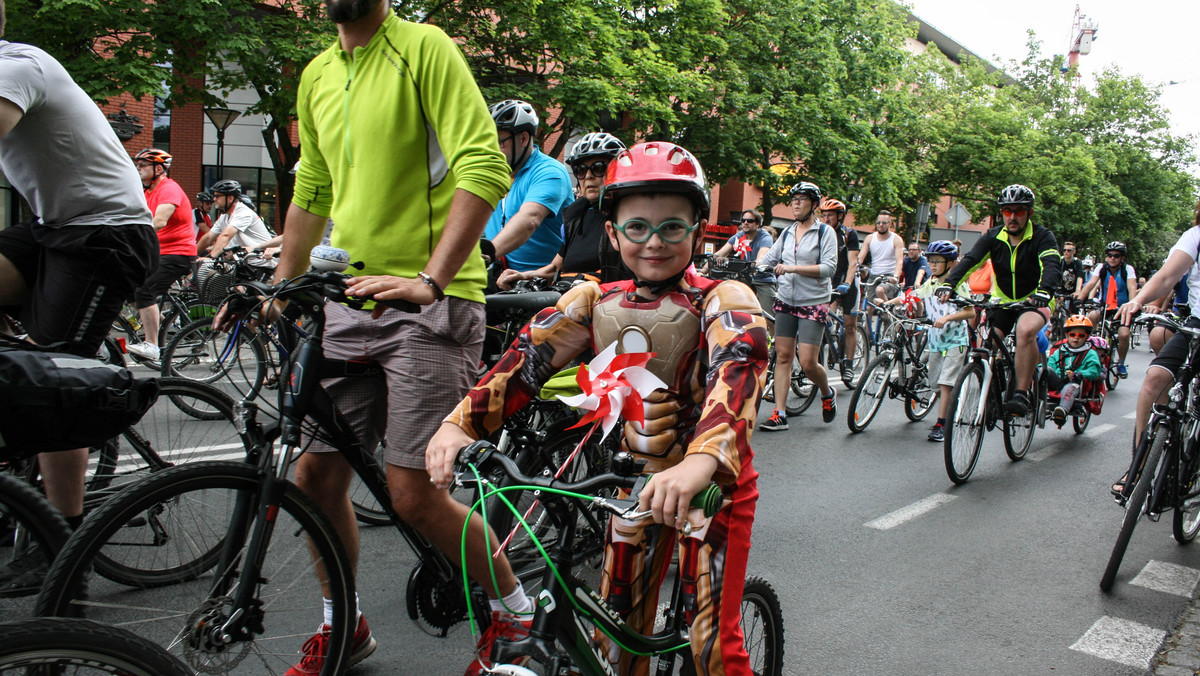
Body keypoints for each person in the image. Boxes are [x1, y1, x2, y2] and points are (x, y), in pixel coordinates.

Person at [226, 1, 518, 673]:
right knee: (315, 475)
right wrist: (278, 287)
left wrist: (432, 278)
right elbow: (314, 188)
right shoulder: (319, 72)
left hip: (428, 303)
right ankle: (345, 627)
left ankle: (518, 613)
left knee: (413, 493)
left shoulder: (423, 49)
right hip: (350, 300)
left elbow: (482, 166)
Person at [427, 141, 768, 676]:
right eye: (637, 227)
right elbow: (525, 361)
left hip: (708, 489)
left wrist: (700, 461)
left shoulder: (725, 300)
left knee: (712, 650)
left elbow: (739, 370)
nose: (653, 243)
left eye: (672, 227)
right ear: (612, 232)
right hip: (630, 486)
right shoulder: (593, 302)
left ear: (698, 229)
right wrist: (460, 423)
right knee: (614, 642)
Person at [0, 0, 157, 594]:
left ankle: (61, 547)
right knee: (25, 370)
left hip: (105, 233)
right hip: (53, 227)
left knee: (50, 378)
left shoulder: (17, 66)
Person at [940, 184, 1060, 416]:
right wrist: (949, 283)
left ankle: (1021, 393)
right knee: (988, 345)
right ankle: (994, 391)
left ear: (1029, 213)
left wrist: (1045, 291)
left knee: (1025, 331)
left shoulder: (1042, 236)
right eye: (1007, 211)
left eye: (1019, 211)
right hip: (1003, 300)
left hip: (1036, 301)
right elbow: (971, 260)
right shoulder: (993, 236)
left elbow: (1052, 265)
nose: (1012, 216)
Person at [1115, 199, 1200, 494]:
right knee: (1153, 379)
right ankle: (1139, 465)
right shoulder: (1196, 235)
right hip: (1197, 324)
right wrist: (1139, 300)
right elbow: (1167, 276)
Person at [496, 131, 627, 289]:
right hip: (571, 300)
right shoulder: (576, 215)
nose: (588, 176)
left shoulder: (628, 215)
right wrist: (523, 275)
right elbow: (555, 268)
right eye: (581, 170)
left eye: (598, 168)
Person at [758, 181, 838, 431]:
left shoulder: (825, 233)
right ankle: (780, 413)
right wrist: (749, 265)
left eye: (802, 199)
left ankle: (827, 392)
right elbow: (769, 259)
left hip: (813, 302)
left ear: (814, 204)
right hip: (785, 300)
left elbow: (828, 268)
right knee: (782, 355)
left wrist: (791, 268)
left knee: (807, 363)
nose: (796, 203)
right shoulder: (788, 232)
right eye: (794, 199)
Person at [893, 241, 974, 443]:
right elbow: (914, 296)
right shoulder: (931, 282)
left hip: (956, 339)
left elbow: (970, 311)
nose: (933, 265)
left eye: (938, 261)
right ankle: (947, 406)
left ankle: (942, 423)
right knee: (935, 384)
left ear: (950, 263)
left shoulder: (958, 284)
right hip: (936, 339)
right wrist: (889, 302)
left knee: (946, 382)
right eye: (931, 261)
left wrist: (947, 318)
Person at [482, 99, 572, 274]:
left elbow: (530, 219)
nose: (492, 150)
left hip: (541, 282)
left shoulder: (549, 172)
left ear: (523, 139)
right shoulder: (492, 172)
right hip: (498, 275)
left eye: (499, 142)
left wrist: (486, 254)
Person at [125, 148, 197, 363]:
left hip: (178, 254)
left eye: (143, 165)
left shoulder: (169, 188)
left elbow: (158, 222)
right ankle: (161, 324)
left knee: (144, 290)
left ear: (159, 168)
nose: (138, 169)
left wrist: (131, 240)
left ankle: (152, 345)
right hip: (158, 252)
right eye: (137, 165)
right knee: (127, 285)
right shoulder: (147, 191)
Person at [1079, 241, 1137, 378]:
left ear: (1122, 258)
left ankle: (1121, 363)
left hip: (1123, 308)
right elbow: (1091, 284)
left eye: (1116, 256)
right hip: (1105, 305)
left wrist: (1133, 304)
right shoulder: (1101, 267)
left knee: (1123, 334)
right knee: (1091, 316)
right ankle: (1088, 348)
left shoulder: (1127, 269)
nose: (1112, 258)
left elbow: (1132, 288)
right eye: (1110, 255)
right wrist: (1080, 299)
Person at [709, 208, 775, 320]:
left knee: (767, 316)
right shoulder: (739, 236)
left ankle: (770, 335)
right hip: (745, 277)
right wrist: (702, 271)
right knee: (736, 308)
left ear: (758, 223)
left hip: (762, 278)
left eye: (750, 221)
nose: (745, 223)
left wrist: (757, 265)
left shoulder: (765, 237)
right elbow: (719, 254)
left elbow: (761, 258)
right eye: (743, 220)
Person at [822, 198, 860, 380]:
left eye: (830, 215)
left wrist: (847, 282)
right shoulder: (821, 233)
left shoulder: (849, 234)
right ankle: (831, 341)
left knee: (850, 325)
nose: (826, 218)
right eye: (824, 215)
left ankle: (849, 363)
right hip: (830, 282)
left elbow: (853, 262)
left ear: (840, 216)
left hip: (848, 282)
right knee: (825, 315)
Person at [1045, 315, 1103, 427]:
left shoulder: (1091, 353)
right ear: (1067, 335)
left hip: (1077, 382)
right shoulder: (1059, 351)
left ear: (1086, 337)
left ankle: (1062, 411)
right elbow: (1050, 365)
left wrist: (1079, 374)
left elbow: (1094, 370)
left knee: (1069, 388)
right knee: (1042, 370)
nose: (1076, 338)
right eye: (1072, 335)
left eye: (1081, 335)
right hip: (1058, 380)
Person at [197, 179, 274, 257]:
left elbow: (226, 235)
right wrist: (192, 255)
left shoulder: (243, 212)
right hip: (244, 263)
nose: (214, 199)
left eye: (217, 196)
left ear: (230, 198)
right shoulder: (224, 216)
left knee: (209, 267)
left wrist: (211, 258)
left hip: (262, 262)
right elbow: (208, 237)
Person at [862, 210, 904, 304]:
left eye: (884, 223)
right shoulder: (870, 238)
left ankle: (887, 315)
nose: (881, 225)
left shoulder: (896, 239)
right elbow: (860, 259)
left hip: (889, 276)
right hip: (874, 275)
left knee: (880, 290)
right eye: (878, 222)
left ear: (890, 224)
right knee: (868, 306)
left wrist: (896, 277)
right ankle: (868, 318)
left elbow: (899, 262)